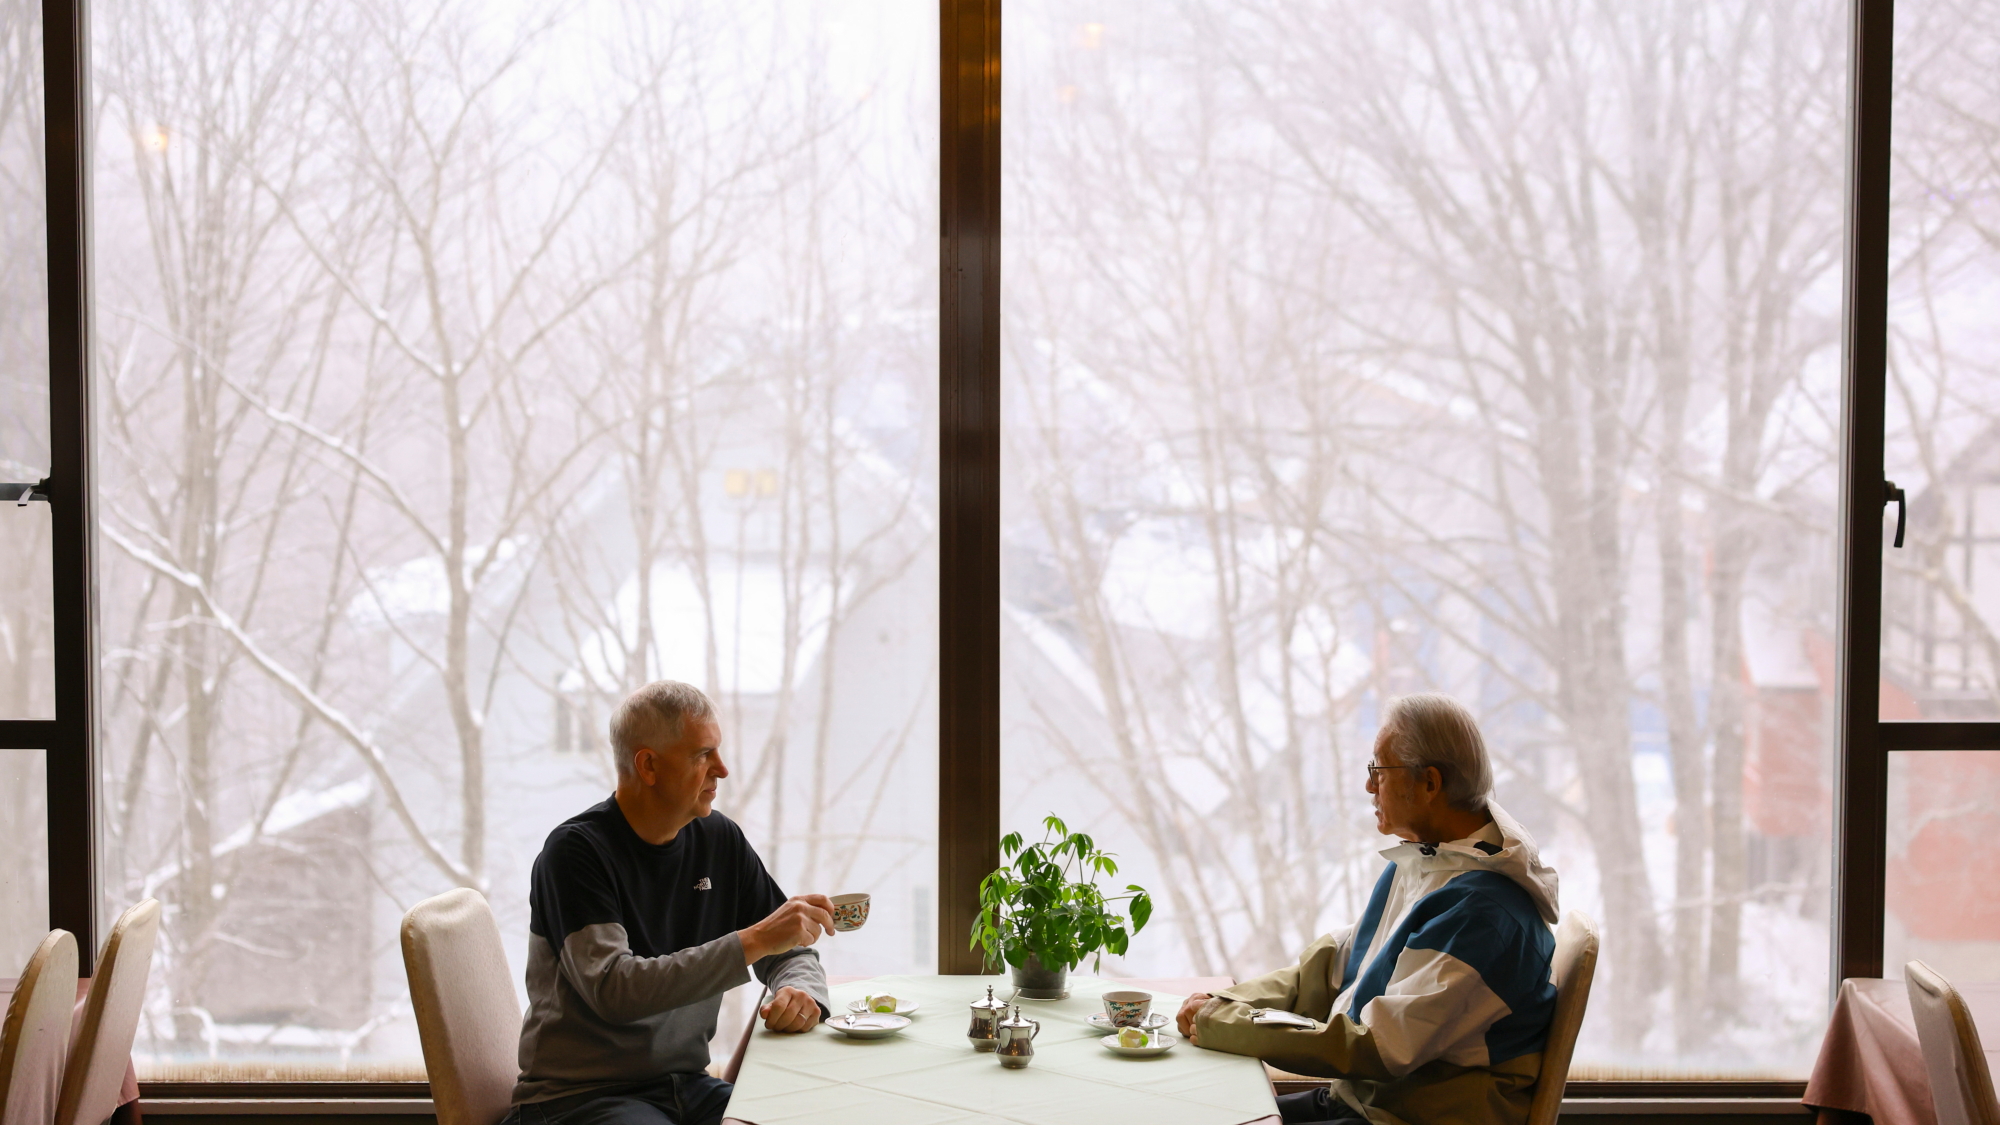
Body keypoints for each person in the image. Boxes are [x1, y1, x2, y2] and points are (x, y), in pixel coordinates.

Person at [1177, 693, 1561, 1125]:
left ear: (1429, 783)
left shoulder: (1484, 914)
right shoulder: (1427, 861)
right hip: (1368, 1101)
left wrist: (1224, 1023)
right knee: (1201, 1112)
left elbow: (1376, 1046)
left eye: (1378, 769)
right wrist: (1221, 1003)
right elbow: (1329, 969)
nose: (1368, 786)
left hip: (1408, 1116)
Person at [505, 681, 834, 1125]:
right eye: (702, 754)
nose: (722, 769)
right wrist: (754, 940)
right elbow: (614, 990)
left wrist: (801, 992)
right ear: (648, 766)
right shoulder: (575, 853)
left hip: (685, 1086)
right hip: (578, 1098)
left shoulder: (720, 840)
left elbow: (790, 949)